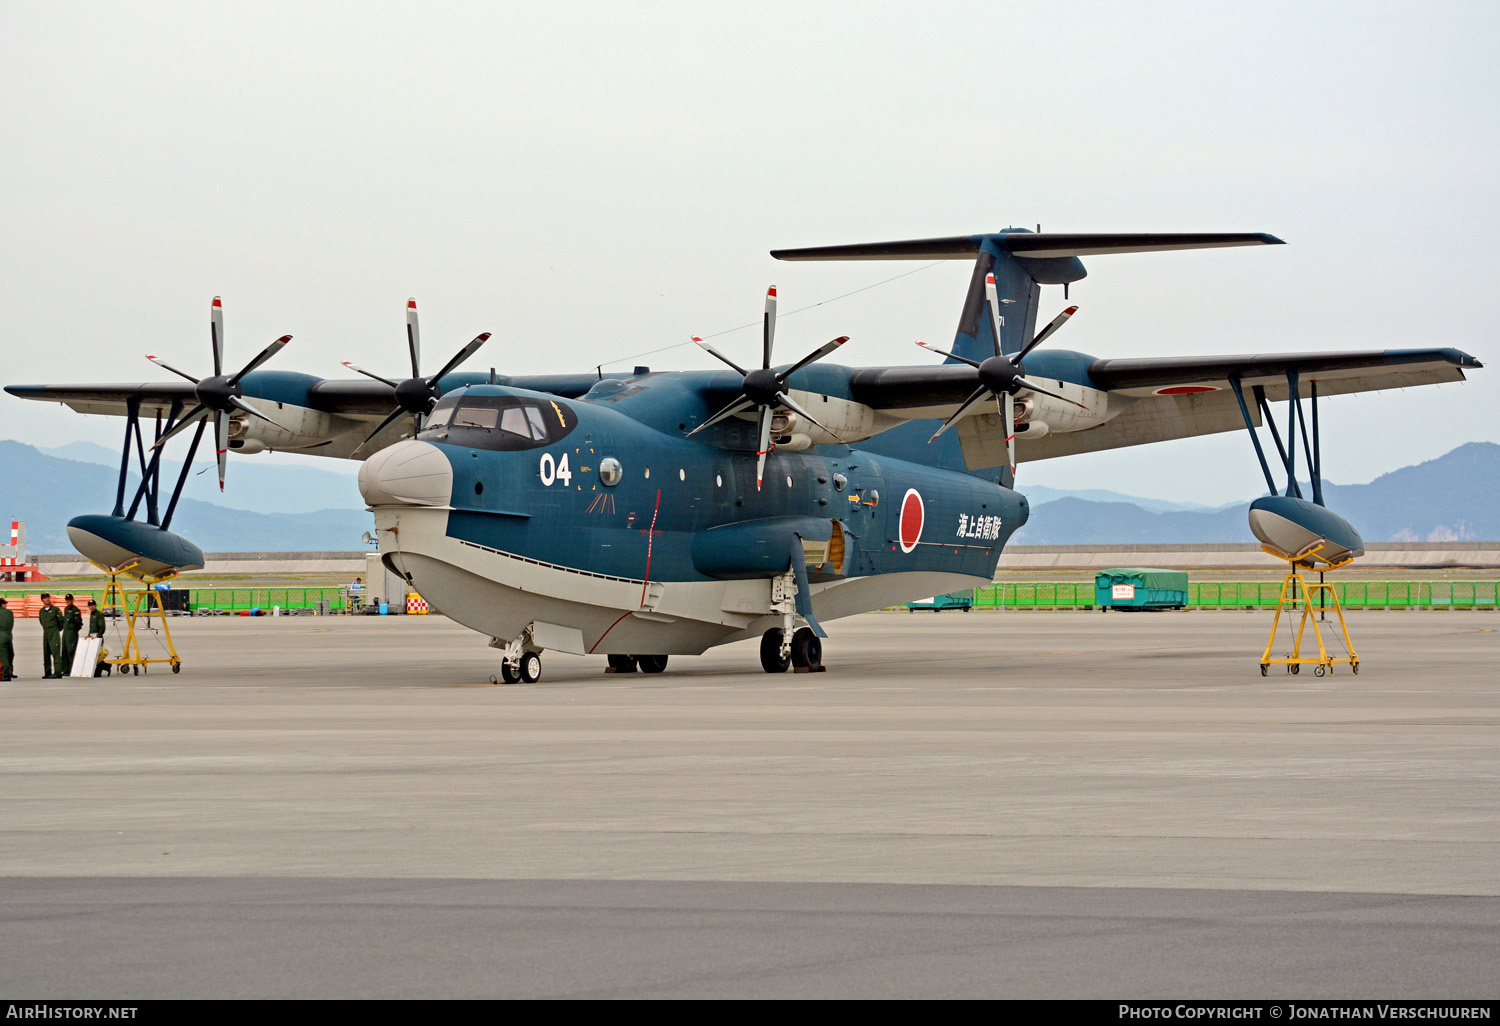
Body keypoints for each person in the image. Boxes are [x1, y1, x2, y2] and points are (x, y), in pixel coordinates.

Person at [38, 593, 63, 678]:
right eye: (44, 598)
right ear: (42, 600)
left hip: (54, 632)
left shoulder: (55, 609)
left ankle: (58, 672)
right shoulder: (41, 611)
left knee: (55, 652)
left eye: (48, 597)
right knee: (46, 653)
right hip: (46, 633)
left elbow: (61, 622)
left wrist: (56, 630)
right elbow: (41, 621)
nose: (46, 599)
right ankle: (47, 672)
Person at [61, 594, 83, 674]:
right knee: (64, 651)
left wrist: (74, 631)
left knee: (71, 651)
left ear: (72, 600)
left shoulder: (75, 610)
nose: (67, 601)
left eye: (69, 600)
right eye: (66, 600)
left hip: (72, 632)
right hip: (65, 632)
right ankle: (65, 670)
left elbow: (79, 623)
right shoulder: (66, 609)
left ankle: (72, 669)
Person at [0, 597, 14, 681]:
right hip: (9, 635)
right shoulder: (9, 612)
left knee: (3, 656)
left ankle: (5, 674)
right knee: (10, 654)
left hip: (1, 636)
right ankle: (10, 671)